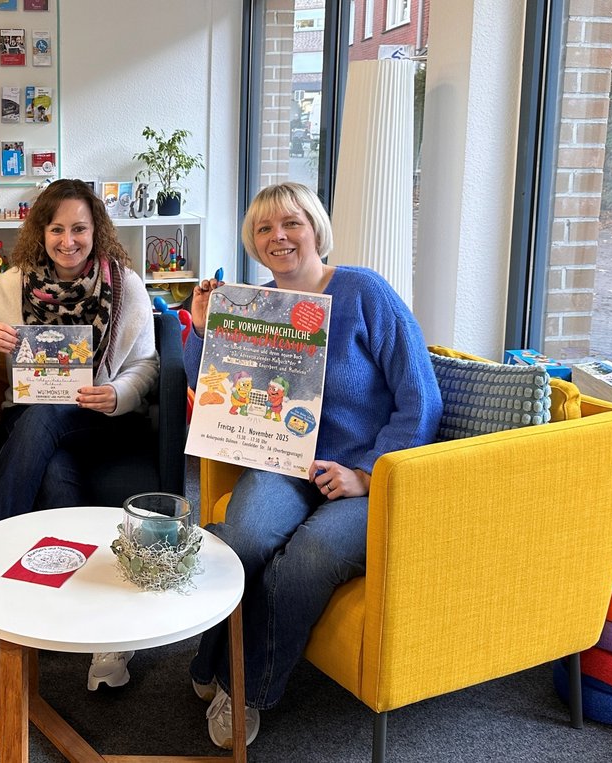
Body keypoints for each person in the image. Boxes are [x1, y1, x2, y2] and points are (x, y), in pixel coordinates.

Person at [183, 182, 442, 749]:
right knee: (243, 538)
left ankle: (245, 689)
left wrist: (368, 473)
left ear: (315, 229)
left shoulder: (364, 291)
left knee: (308, 558)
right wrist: (203, 328)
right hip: (283, 463)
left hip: (364, 477)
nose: (278, 237)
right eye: (264, 228)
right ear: (253, 241)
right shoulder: (254, 305)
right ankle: (209, 657)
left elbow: (420, 397)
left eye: (291, 223)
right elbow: (210, 386)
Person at [0, 178, 158, 690]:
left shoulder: (125, 285)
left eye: (79, 228)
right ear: (41, 232)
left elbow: (146, 364)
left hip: (98, 420)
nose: (68, 240)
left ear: (96, 231)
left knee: (42, 418)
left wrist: (118, 393)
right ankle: (90, 624)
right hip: (34, 425)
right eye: (57, 229)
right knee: (53, 466)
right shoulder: (14, 283)